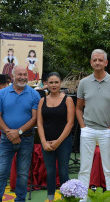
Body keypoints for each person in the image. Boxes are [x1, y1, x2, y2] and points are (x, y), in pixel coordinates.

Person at [76, 49, 110, 199]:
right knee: (84, 168)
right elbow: (78, 108)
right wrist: (83, 127)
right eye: (94, 60)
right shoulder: (83, 83)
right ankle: (82, 199)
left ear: (106, 63)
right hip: (88, 129)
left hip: (107, 130)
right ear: (91, 62)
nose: (97, 62)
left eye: (100, 60)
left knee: (109, 169)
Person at [0, 65, 41, 202]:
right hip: (6, 139)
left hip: (26, 139)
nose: (23, 77)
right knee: (1, 173)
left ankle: (20, 200)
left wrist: (18, 132)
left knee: (23, 173)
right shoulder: (2, 93)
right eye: (20, 74)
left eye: (25, 74)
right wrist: (10, 133)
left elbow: (35, 118)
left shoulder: (34, 94)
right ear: (13, 76)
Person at [37, 72, 75, 202]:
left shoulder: (68, 100)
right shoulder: (42, 101)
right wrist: (43, 141)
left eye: (56, 82)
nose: (53, 85)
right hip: (46, 142)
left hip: (63, 142)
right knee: (50, 172)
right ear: (46, 84)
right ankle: (50, 199)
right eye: (51, 82)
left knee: (63, 172)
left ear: (60, 84)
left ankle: (67, 198)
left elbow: (70, 123)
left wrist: (58, 142)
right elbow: (39, 123)